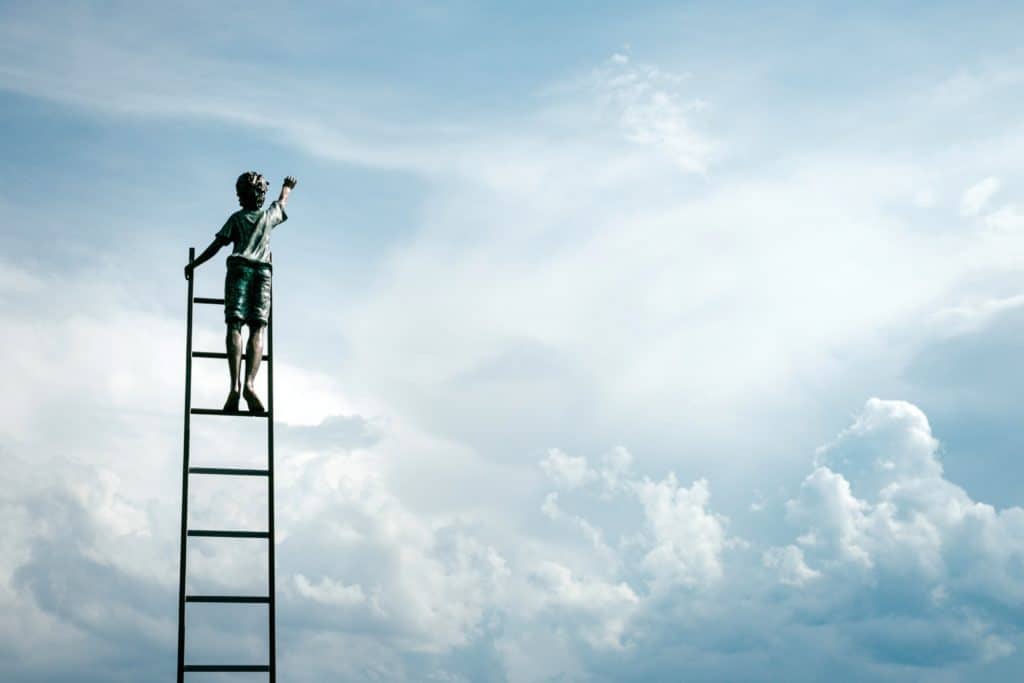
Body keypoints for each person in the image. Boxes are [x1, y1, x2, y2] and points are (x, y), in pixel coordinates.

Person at [184, 172, 297, 413]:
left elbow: (217, 246)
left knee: (234, 325)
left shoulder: (236, 218)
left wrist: (195, 265)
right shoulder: (268, 216)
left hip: (239, 270)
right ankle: (249, 384)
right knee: (258, 328)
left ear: (241, 195)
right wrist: (287, 187)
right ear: (261, 195)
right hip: (262, 272)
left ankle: (234, 386)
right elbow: (282, 202)